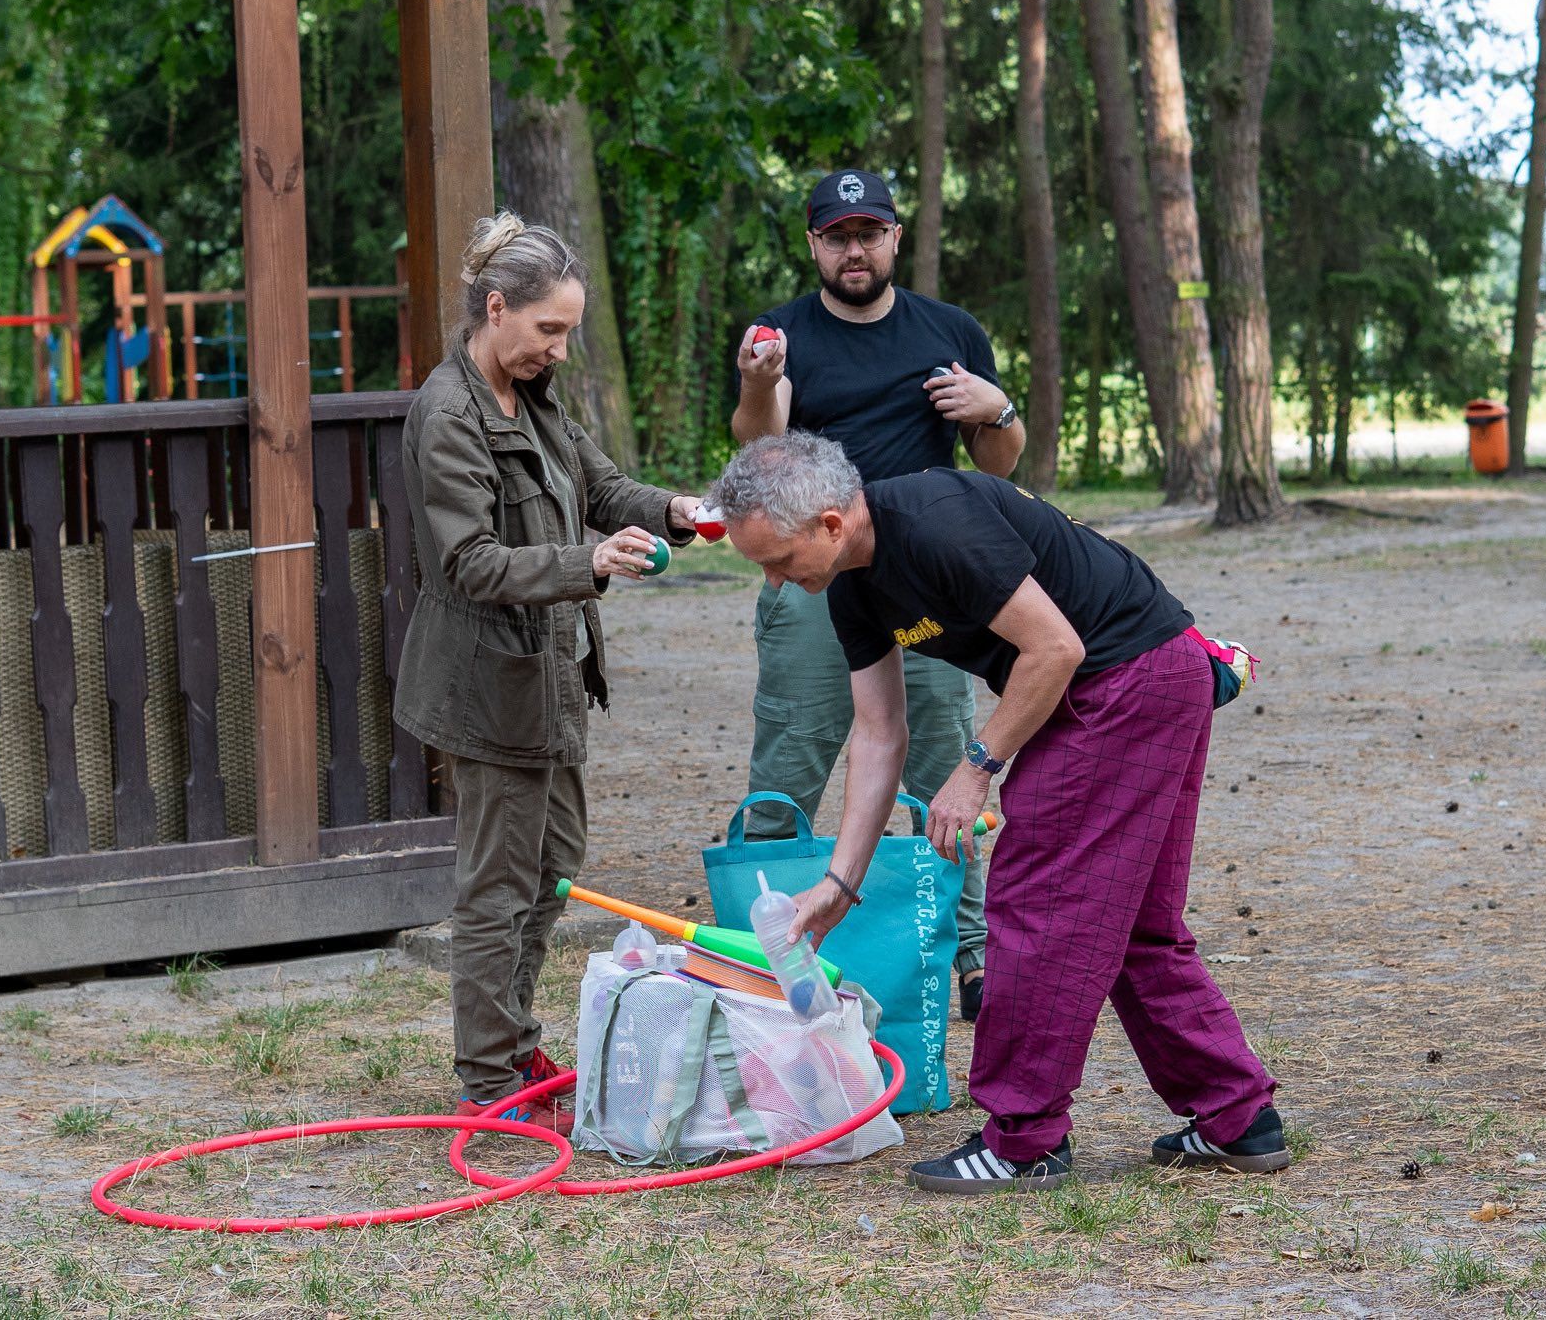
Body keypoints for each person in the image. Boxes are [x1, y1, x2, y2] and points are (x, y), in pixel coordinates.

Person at [705, 433, 1288, 1194]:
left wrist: (975, 768)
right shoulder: (851, 586)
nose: (776, 583)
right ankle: (1237, 1119)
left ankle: (1024, 1139)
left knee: (1036, 901)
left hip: (1128, 679)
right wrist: (839, 883)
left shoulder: (937, 522)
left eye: (776, 559)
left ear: (829, 522)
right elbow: (879, 735)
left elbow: (1056, 648)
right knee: (1138, 922)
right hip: (1144, 676)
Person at [392, 212, 701, 1131]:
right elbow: (469, 562)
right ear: (497, 309)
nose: (559, 349)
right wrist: (590, 565)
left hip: (552, 680)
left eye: (566, 331)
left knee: (553, 866)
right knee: (498, 884)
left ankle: (512, 1034)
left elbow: (603, 489)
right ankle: (489, 1078)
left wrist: (680, 508)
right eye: (548, 329)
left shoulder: (538, 396)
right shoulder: (448, 415)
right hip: (489, 688)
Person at [732, 167, 1025, 1021]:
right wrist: (757, 381)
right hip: (813, 580)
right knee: (791, 757)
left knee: (942, 764)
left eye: (868, 232)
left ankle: (965, 952)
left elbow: (998, 466)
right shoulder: (780, 334)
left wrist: (997, 407)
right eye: (836, 235)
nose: (853, 249)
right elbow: (761, 446)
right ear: (814, 244)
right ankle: (765, 943)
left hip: (927, 583)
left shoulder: (951, 330)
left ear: (896, 236)